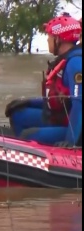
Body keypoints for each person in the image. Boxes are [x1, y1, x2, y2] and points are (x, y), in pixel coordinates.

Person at [5, 14, 82, 147]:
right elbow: (60, 100)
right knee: (17, 114)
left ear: (58, 39)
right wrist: (29, 102)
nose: (47, 40)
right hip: (63, 118)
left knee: (28, 135)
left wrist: (70, 143)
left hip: (76, 129)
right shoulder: (65, 60)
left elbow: (79, 106)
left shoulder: (75, 63)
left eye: (49, 36)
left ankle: (30, 158)